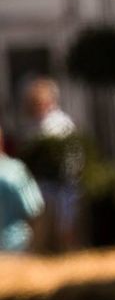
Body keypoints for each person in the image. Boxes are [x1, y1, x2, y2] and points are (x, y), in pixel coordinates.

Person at [22, 77, 81, 252]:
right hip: (42, 184)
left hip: (63, 184)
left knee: (65, 226)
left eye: (38, 102)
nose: (35, 107)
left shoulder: (60, 124)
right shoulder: (33, 125)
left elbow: (72, 157)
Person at [0, 126, 44, 253]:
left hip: (14, 246)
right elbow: (35, 210)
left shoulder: (13, 171)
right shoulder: (14, 170)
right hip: (16, 246)